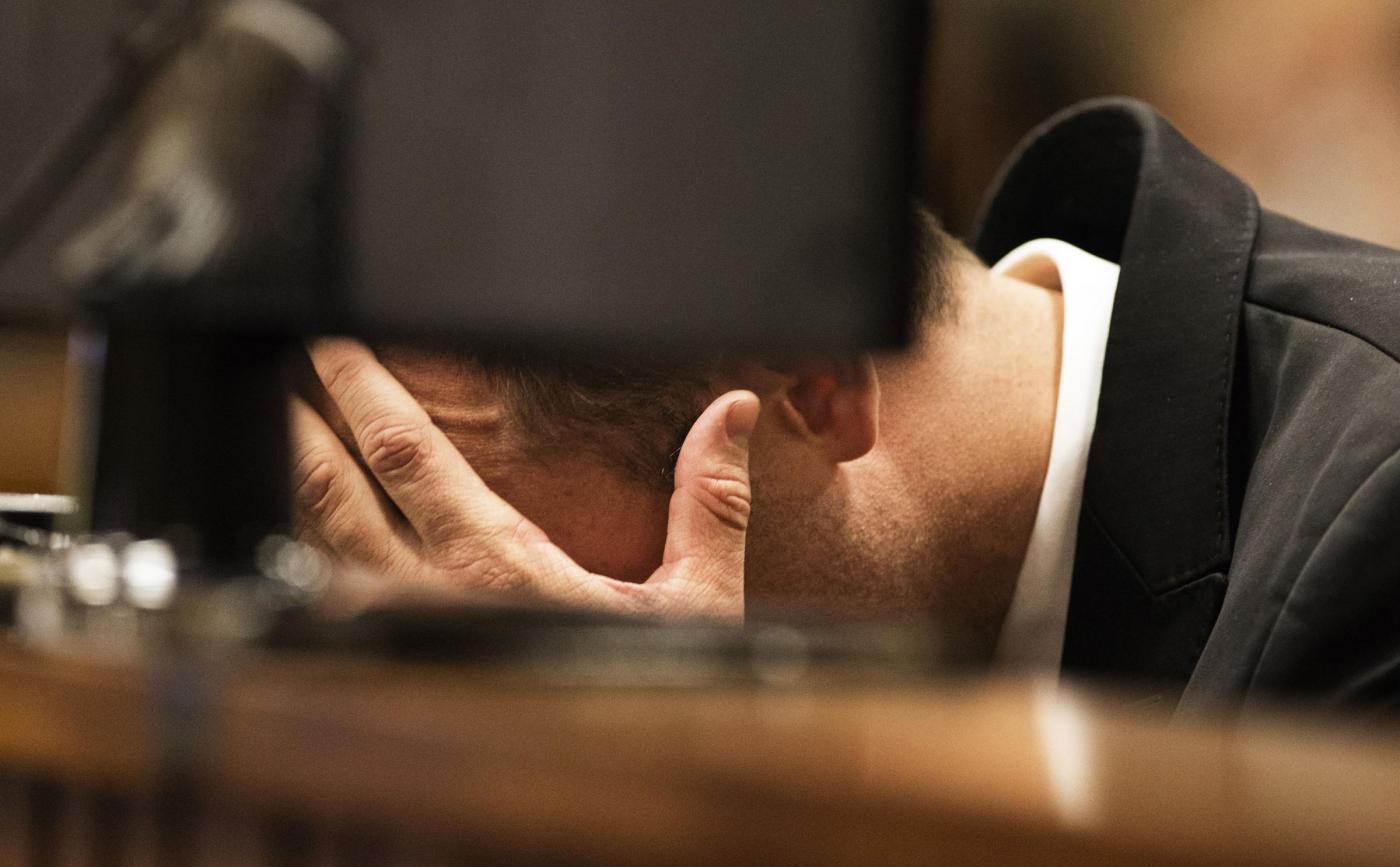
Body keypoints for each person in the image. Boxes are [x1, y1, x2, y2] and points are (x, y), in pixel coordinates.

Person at [293, 98, 1400, 714]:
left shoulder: (1370, 541)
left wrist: (692, 812)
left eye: (461, 524)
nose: (447, 576)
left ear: (817, 385)